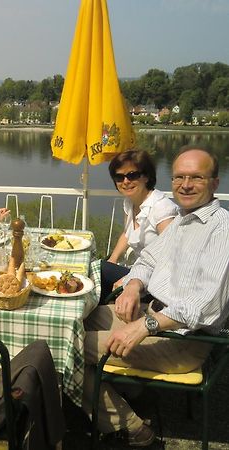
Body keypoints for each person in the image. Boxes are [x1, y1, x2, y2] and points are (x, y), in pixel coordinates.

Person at [82, 147, 229, 446]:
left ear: (214, 183)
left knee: (66, 346)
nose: (185, 184)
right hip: (153, 314)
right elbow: (148, 259)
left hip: (184, 341)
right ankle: (133, 391)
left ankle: (134, 428)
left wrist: (144, 326)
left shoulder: (221, 230)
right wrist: (134, 286)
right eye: (179, 177)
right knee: (79, 318)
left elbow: (205, 306)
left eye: (196, 177)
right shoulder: (183, 221)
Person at [101, 149, 178, 301]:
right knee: (100, 269)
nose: (126, 181)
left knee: (99, 272)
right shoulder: (130, 202)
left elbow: (171, 258)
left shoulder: (161, 208)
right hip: (139, 272)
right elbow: (127, 233)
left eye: (132, 175)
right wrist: (113, 259)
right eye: (119, 177)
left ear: (146, 177)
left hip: (155, 286)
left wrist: (131, 281)